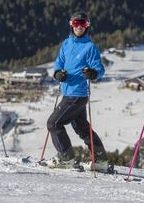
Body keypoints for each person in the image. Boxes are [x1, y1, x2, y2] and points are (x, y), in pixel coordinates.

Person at [46, 11, 109, 171]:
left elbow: (99, 68)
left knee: (53, 123)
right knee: (82, 128)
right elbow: (59, 63)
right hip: (68, 91)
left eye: (83, 24)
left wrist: (93, 74)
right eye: (76, 24)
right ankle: (100, 160)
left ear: (87, 26)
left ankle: (66, 158)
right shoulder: (66, 44)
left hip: (77, 94)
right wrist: (58, 73)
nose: (79, 27)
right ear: (71, 25)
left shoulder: (90, 47)